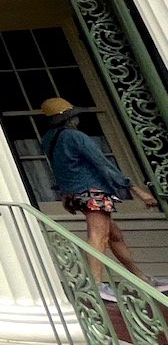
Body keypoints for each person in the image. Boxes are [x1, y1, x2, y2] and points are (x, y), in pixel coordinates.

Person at [39, 97, 159, 301]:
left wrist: (65, 193)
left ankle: (140, 277)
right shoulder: (76, 137)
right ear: (69, 118)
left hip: (77, 193)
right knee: (99, 236)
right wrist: (137, 190)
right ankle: (95, 284)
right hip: (93, 192)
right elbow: (103, 164)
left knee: (114, 235)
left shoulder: (49, 139)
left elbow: (59, 169)